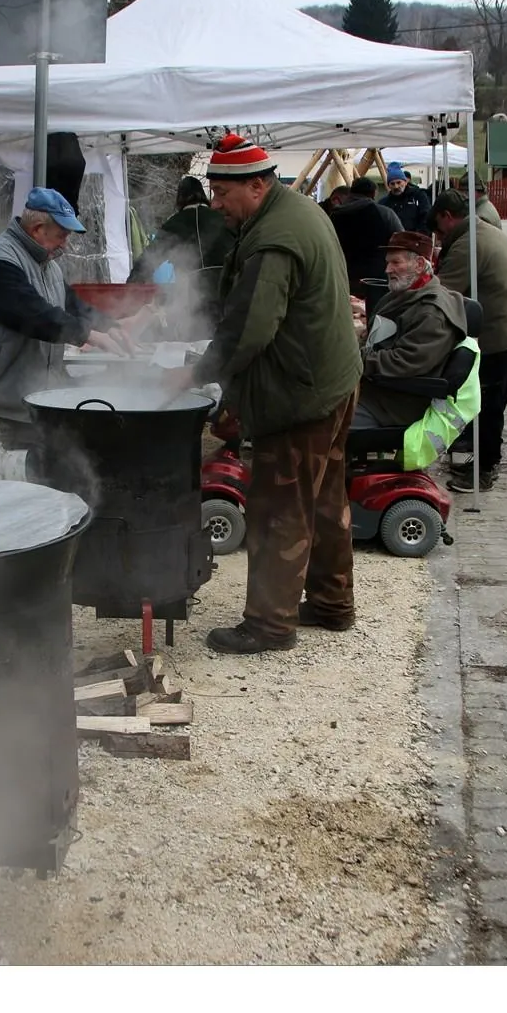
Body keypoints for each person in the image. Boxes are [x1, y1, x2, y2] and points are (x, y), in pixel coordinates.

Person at [176, 132, 362, 653]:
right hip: (333, 381)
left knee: (279, 507)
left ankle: (269, 624)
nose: (215, 205)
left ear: (256, 185)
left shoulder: (272, 239)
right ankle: (330, 603)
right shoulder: (299, 210)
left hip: (300, 397)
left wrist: (195, 375)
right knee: (323, 498)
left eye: (221, 194)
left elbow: (248, 329)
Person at [0, 187, 131, 447]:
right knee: (0, 485)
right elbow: (33, 314)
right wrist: (88, 335)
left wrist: (109, 327)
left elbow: (73, 305)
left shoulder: (48, 266)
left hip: (31, 403)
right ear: (38, 229)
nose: (65, 243)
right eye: (62, 235)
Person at [431, 188, 507, 493]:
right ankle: (478, 462)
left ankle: (484, 470)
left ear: (448, 217)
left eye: (437, 228)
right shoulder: (482, 229)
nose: (437, 236)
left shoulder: (468, 244)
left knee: (487, 406)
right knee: (488, 404)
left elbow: (442, 294)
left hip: (497, 337)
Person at [354, 231, 468, 429]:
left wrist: (353, 360)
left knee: (319, 420)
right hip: (375, 390)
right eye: (388, 263)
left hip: (394, 404)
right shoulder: (400, 295)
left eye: (396, 263)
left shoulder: (431, 312)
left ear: (420, 265)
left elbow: (404, 362)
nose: (388, 270)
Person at [127, 175, 235, 337]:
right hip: (228, 293)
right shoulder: (223, 220)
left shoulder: (175, 224)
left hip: (192, 298)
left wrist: (129, 289)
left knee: (196, 344)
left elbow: (148, 260)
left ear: (180, 199)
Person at [329, 177, 404, 313]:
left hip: (341, 277)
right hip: (376, 279)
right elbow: (402, 240)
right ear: (373, 194)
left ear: (352, 192)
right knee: (375, 319)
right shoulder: (384, 214)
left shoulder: (334, 215)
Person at [380, 163, 431, 232]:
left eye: (398, 182)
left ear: (405, 182)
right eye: (392, 183)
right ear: (388, 185)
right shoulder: (384, 203)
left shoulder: (418, 196)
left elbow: (426, 216)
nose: (396, 186)